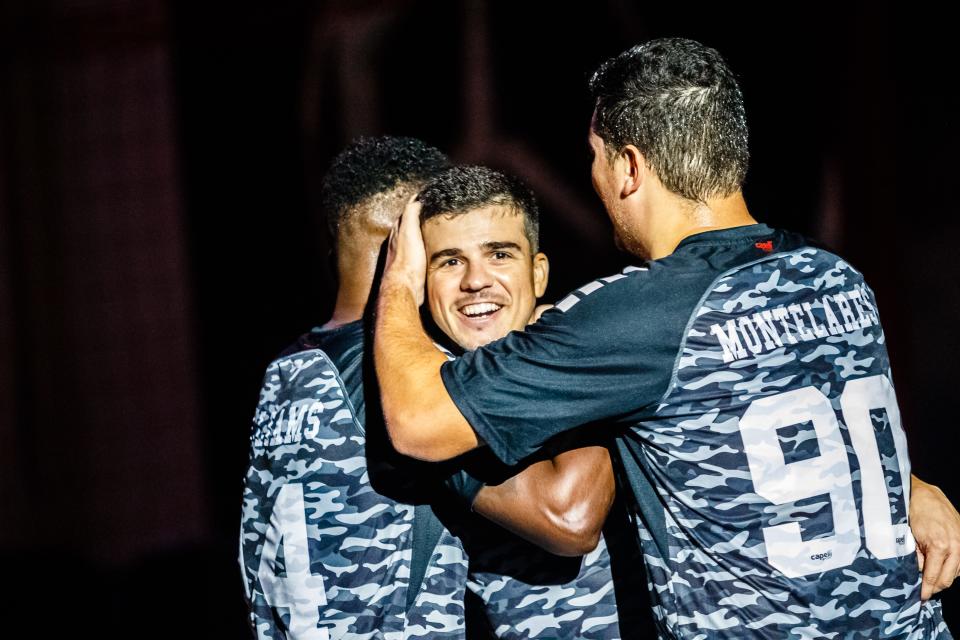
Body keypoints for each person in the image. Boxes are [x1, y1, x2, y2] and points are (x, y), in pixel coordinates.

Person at [373, 39, 957, 638]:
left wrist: (398, 276)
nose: (594, 179)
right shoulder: (836, 277)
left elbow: (418, 422)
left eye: (594, 157)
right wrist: (909, 484)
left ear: (629, 167)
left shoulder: (637, 315)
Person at [239, 136, 468, 639]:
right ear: (408, 243)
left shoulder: (286, 372)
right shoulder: (400, 375)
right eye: (450, 249)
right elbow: (563, 522)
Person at [417, 164, 646, 639]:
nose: (475, 281)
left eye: (499, 254)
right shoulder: (426, 398)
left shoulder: (615, 337)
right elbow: (572, 520)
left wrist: (561, 344)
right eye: (450, 261)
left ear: (538, 273)